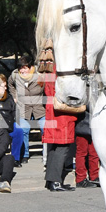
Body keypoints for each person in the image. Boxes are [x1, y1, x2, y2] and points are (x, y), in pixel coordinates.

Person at [42, 56, 77, 192]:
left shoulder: (50, 69)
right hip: (61, 112)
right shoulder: (61, 70)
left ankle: (50, 180)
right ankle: (55, 181)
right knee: (62, 147)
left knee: (55, 147)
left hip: (53, 110)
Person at [8, 55, 45, 163]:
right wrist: (14, 96)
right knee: (23, 130)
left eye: (25, 68)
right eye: (20, 68)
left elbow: (46, 87)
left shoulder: (39, 75)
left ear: (31, 67)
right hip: (23, 107)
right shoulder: (15, 75)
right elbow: (10, 84)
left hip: (39, 107)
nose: (22, 70)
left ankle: (47, 154)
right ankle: (24, 155)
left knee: (45, 128)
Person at [74, 111, 100, 188]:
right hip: (83, 123)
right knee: (82, 153)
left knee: (93, 153)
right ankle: (81, 179)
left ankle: (94, 176)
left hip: (90, 123)